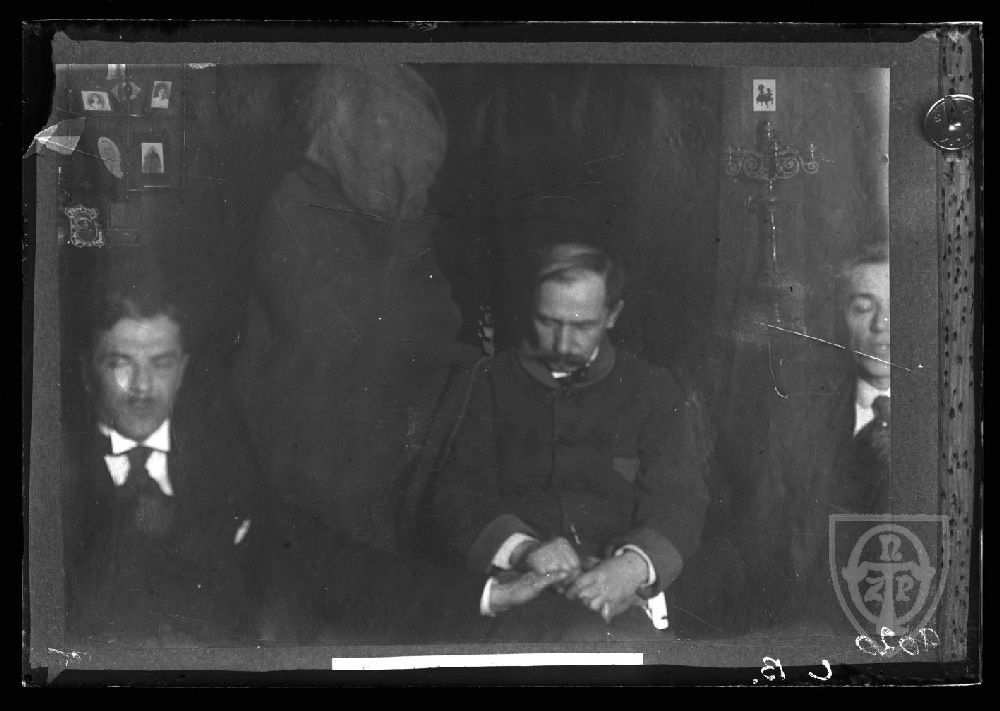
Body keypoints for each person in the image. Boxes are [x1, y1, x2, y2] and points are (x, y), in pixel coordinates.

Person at [60, 257, 575, 647]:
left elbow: (330, 564)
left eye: (161, 363)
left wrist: (488, 595)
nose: (142, 387)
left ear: (184, 369)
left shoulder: (218, 454)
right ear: (87, 371)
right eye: (119, 363)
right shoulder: (53, 477)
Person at [405, 242, 710, 637]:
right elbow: (458, 494)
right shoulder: (484, 384)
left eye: (582, 326)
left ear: (613, 314)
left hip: (625, 597)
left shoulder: (654, 390)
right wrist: (523, 549)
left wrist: (633, 566)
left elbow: (680, 501)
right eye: (548, 322)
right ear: (530, 308)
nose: (563, 344)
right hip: (517, 593)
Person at [233, 65, 480, 552]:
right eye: (391, 152)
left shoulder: (404, 224)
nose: (408, 178)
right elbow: (343, 338)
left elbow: (433, 316)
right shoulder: (299, 206)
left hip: (393, 407)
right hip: (314, 422)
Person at [675, 241, 892, 637]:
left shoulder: (948, 426)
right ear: (841, 316)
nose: (881, 325)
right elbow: (755, 535)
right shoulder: (801, 412)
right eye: (863, 307)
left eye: (898, 308)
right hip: (791, 625)